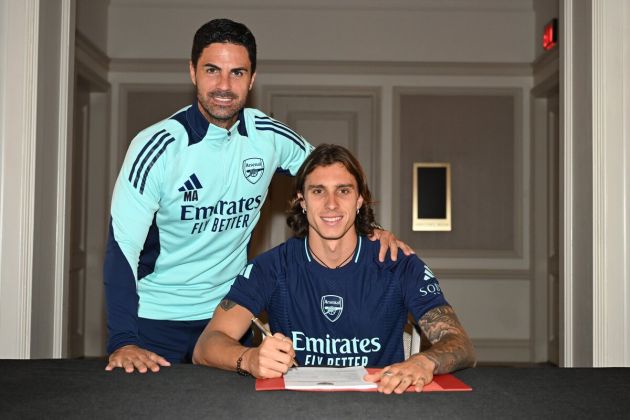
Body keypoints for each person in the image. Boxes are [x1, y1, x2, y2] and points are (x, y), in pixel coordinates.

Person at [104, 19, 409, 373]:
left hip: (228, 320)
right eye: (212, 70)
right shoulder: (156, 147)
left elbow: (333, 178)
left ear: (252, 78)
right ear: (192, 72)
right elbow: (121, 248)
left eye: (237, 73)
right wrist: (123, 340)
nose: (223, 85)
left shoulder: (268, 136)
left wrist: (371, 228)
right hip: (155, 321)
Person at [192, 144, 476, 394]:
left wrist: (424, 360)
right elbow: (206, 346)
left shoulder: (398, 263)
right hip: (292, 408)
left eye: (343, 190)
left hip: (383, 403)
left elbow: (460, 343)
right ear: (301, 201)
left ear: (359, 199)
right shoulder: (271, 267)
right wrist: (250, 359)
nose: (331, 204)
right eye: (318, 191)